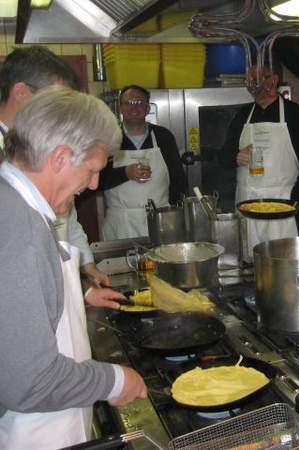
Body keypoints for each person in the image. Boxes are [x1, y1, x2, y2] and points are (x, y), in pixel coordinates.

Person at [0, 86, 147, 449]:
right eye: (93, 170)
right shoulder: (20, 229)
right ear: (60, 158)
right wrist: (113, 380)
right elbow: (29, 381)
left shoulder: (13, 204)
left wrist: (78, 294)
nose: (94, 184)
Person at [0, 45, 111, 290]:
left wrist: (84, 271)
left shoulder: (45, 145)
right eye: (54, 98)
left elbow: (65, 217)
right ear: (20, 92)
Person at [219, 63, 299, 257]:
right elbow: (223, 157)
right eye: (249, 80)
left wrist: (293, 202)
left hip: (282, 208)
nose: (252, 85)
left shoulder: (296, 115)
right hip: (247, 205)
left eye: (257, 79)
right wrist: (235, 157)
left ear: (273, 80)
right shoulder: (242, 115)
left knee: (285, 264)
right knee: (250, 264)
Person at [99, 84, 186, 240]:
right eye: (129, 103)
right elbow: (96, 182)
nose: (134, 107)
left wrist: (175, 215)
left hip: (161, 220)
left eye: (140, 103)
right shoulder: (108, 137)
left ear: (147, 108)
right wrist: (125, 173)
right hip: (121, 224)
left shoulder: (163, 136)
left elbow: (178, 179)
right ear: (120, 108)